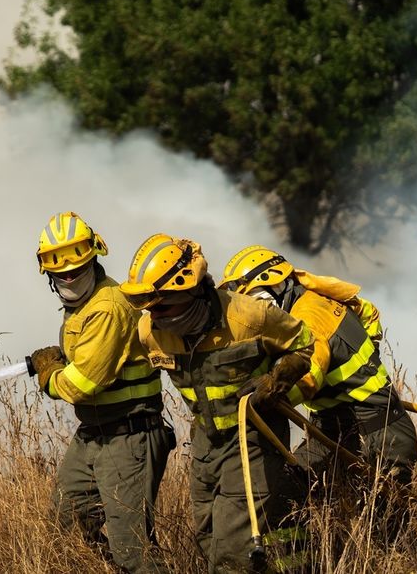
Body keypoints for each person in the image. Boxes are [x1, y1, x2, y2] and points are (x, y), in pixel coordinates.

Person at [121, 233, 326, 573]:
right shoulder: (149, 331)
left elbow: (303, 342)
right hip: (205, 441)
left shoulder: (248, 317)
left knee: (230, 552)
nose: (154, 315)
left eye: (161, 305)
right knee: (209, 537)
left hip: (253, 438)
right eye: (147, 307)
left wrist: (279, 378)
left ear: (189, 290)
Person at [221, 245, 417, 540]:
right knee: (285, 500)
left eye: (259, 302)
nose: (259, 314)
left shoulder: (309, 316)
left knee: (383, 534)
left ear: (279, 284)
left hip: (379, 436)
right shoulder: (317, 297)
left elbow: (309, 373)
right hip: (335, 429)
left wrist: (274, 390)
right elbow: (368, 312)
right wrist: (362, 361)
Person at [28, 212, 174, 573]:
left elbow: (82, 385)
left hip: (130, 433)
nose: (68, 276)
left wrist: (49, 373)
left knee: (134, 550)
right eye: (59, 271)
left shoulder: (107, 307)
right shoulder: (81, 306)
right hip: (96, 433)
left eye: (76, 268)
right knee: (68, 527)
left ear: (94, 258)